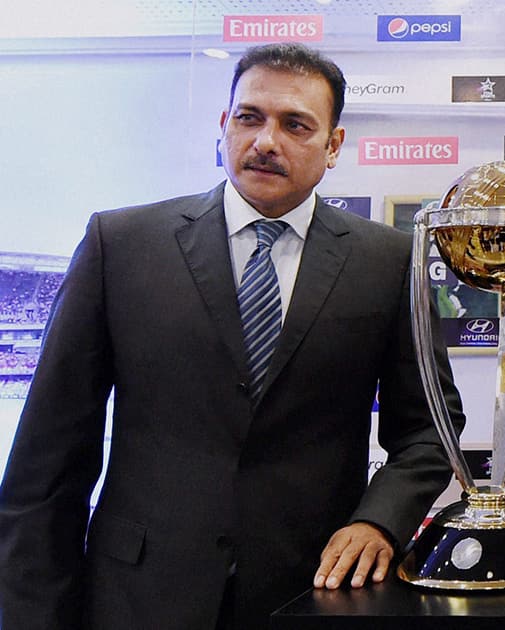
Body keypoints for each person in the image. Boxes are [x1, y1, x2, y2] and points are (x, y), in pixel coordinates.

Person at [0, 43, 464, 630]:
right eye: (249, 117)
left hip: (312, 592)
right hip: (137, 596)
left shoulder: (389, 262)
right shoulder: (119, 246)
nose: (267, 141)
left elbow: (430, 432)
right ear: (224, 127)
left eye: (296, 124)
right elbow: (47, 461)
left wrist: (379, 522)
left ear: (334, 146)